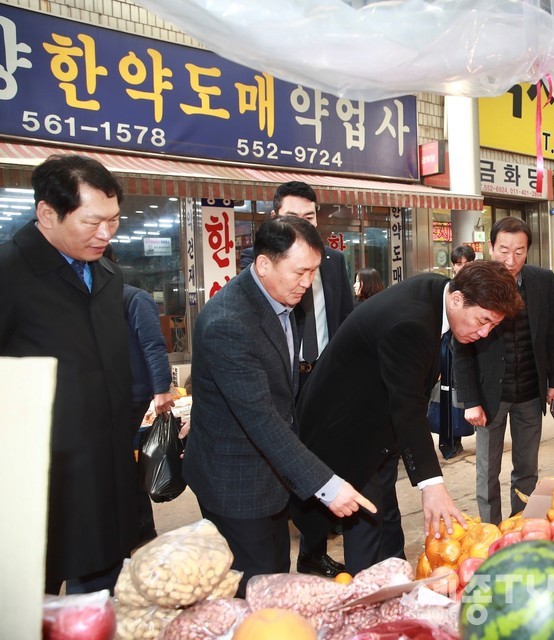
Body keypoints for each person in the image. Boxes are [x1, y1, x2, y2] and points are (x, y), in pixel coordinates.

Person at [184, 217, 374, 596]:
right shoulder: (229, 322)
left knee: (276, 577)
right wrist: (326, 485)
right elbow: (261, 419)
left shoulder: (286, 303)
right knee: (253, 590)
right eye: (300, 271)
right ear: (264, 264)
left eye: (314, 272)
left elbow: (283, 398)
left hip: (273, 480)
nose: (308, 282)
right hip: (235, 482)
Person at [296, 261, 523, 573]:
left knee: (387, 510)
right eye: (483, 321)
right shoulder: (411, 322)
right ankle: (368, 590)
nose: (485, 333)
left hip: (379, 418)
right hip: (345, 426)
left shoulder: (439, 291)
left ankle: (397, 577)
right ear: (457, 299)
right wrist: (432, 485)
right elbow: (409, 406)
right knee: (367, 515)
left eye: (493, 326)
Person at [0, 154, 137, 594]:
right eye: (92, 222)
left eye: (113, 220)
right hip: (36, 481)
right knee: (29, 601)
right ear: (47, 214)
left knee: (100, 598)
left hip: (106, 470)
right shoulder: (9, 272)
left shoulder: (109, 276)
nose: (106, 234)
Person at [240, 181, 354, 579]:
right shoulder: (261, 265)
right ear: (275, 217)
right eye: (293, 216)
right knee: (286, 456)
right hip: (284, 380)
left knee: (322, 457)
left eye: (310, 216)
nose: (304, 223)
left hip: (324, 376)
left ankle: (313, 551)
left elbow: (346, 320)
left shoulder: (334, 262)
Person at [454, 216, 554, 525]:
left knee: (527, 468)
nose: (511, 259)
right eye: (504, 250)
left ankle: (522, 527)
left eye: (519, 251)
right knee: (487, 470)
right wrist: (470, 401)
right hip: (490, 396)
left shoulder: (542, 280)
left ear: (528, 250)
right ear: (491, 247)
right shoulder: (472, 282)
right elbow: (460, 347)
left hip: (530, 392)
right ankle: (490, 530)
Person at [102, 244, 178, 544]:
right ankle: (137, 527)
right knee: (118, 460)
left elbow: (153, 344)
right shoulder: (94, 300)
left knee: (119, 460)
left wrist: (161, 389)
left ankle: (140, 528)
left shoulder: (134, 298)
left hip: (132, 394)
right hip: (106, 392)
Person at [434, 244, 478, 458]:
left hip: (470, 343)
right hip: (447, 343)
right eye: (458, 263)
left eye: (466, 263)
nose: (462, 267)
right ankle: (447, 439)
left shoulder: (478, 288)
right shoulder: (447, 287)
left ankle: (456, 436)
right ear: (452, 266)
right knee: (445, 391)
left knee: (462, 391)